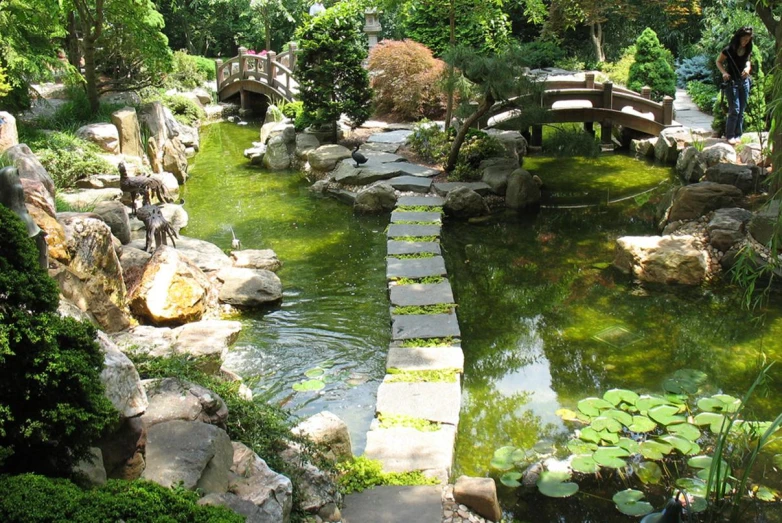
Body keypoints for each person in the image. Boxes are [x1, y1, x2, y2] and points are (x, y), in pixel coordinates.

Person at [716, 27, 753, 145]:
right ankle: (730, 135)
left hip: (744, 81)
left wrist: (748, 68)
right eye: (744, 39)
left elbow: (748, 60)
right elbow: (718, 61)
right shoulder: (729, 50)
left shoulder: (748, 47)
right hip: (732, 82)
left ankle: (738, 135)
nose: (745, 42)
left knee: (741, 110)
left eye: (748, 40)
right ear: (739, 37)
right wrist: (724, 73)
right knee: (734, 109)